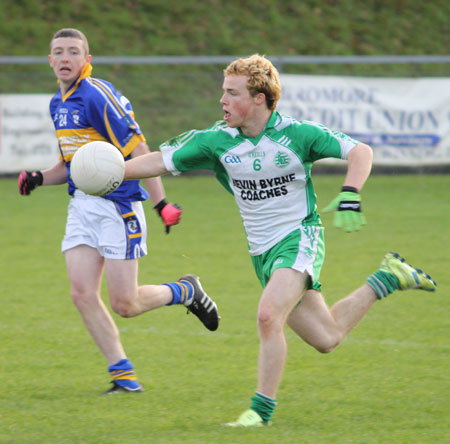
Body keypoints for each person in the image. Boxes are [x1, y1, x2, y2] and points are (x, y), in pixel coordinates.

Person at [124, 54, 437, 424]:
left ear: (259, 98)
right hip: (261, 251)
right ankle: (388, 277)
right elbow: (158, 161)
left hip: (300, 237)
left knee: (268, 315)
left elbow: (359, 151)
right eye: (223, 92)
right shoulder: (216, 141)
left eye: (231, 93)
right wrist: (108, 173)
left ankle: (260, 413)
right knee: (327, 338)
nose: (222, 101)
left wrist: (351, 192)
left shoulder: (298, 134)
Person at [18, 28, 220, 394]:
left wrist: (160, 204)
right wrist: (38, 178)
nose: (65, 58)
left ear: (86, 60)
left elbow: (140, 151)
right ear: (49, 60)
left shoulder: (96, 94)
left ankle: (185, 291)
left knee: (125, 304)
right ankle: (123, 376)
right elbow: (72, 167)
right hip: (81, 207)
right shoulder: (58, 103)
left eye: (73, 52)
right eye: (58, 52)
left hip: (118, 207)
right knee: (81, 294)